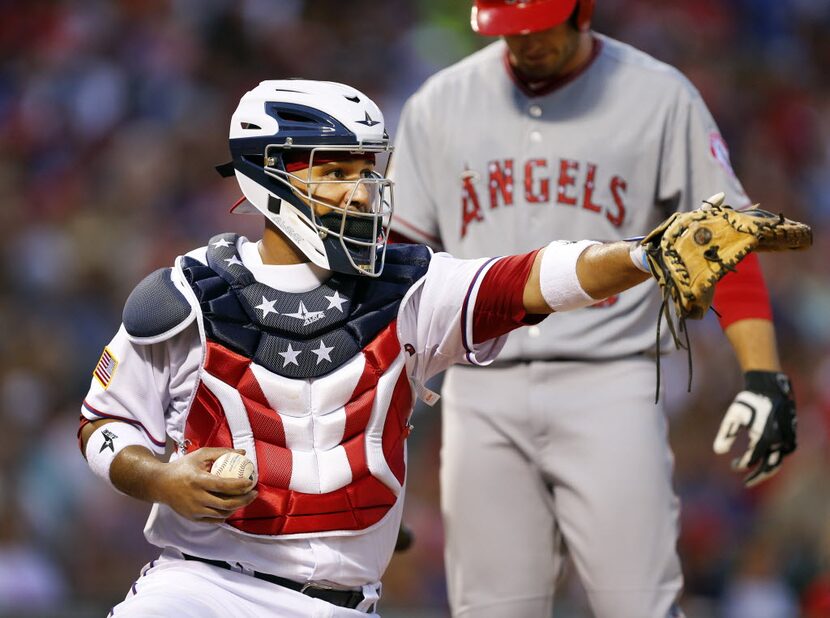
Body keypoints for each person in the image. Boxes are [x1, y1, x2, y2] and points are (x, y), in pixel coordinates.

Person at [75, 79, 771, 618]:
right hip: (198, 594)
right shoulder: (186, 295)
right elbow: (103, 424)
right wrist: (162, 480)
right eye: (337, 169)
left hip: (342, 602)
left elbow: (530, 278)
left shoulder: (410, 285)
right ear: (269, 173)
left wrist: (643, 255)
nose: (362, 188)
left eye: (366, 167)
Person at [387, 2, 798, 617]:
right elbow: (399, 277)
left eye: (539, 24)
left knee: (639, 606)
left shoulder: (658, 95)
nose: (525, 41)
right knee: (492, 611)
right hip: (482, 387)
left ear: (580, 10)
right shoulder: (438, 103)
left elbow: (728, 240)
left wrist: (764, 374)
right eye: (511, 28)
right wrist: (379, 438)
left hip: (610, 381)